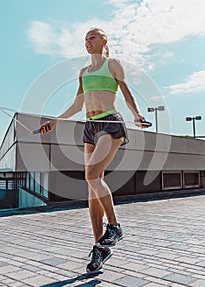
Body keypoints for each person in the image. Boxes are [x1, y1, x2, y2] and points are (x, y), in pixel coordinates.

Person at [39, 28, 146, 274]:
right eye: (86, 39)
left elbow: (126, 92)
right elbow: (78, 104)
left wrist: (136, 114)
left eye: (93, 37)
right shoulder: (83, 73)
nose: (88, 41)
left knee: (92, 175)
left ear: (104, 41)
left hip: (110, 123)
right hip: (90, 127)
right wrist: (54, 122)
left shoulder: (113, 64)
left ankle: (115, 226)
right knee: (92, 187)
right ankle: (99, 246)